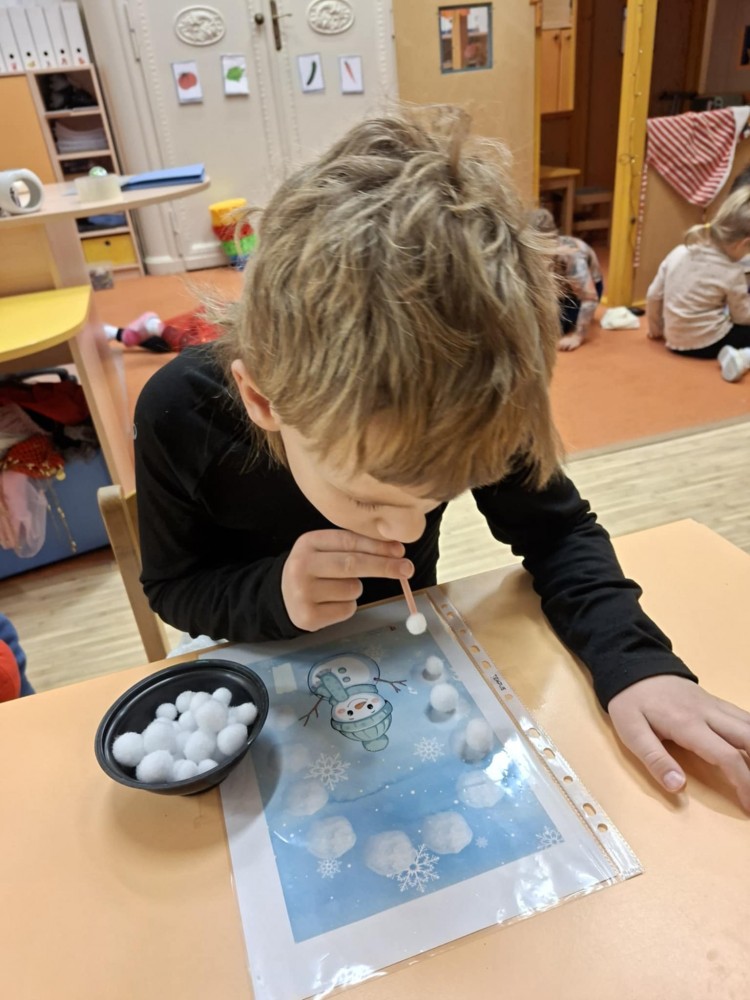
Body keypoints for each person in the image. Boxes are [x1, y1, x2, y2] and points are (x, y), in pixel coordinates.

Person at [135, 107, 750, 812]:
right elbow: (173, 586)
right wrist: (274, 593)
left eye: (439, 496)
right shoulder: (181, 413)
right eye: (368, 499)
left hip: (401, 663)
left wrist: (637, 664)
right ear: (261, 399)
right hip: (255, 670)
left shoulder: (471, 395)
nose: (406, 531)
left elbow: (559, 532)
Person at [646, 186, 750, 382]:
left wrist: (655, 329)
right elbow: (742, 317)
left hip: (672, 339)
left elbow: (653, 294)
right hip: (708, 343)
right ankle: (743, 357)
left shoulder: (679, 252)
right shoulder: (732, 271)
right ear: (743, 244)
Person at [528, 207, 603, 351]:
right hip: (560, 286)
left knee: (557, 327)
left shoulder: (572, 257)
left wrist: (578, 336)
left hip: (584, 290)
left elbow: (590, 298)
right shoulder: (532, 252)